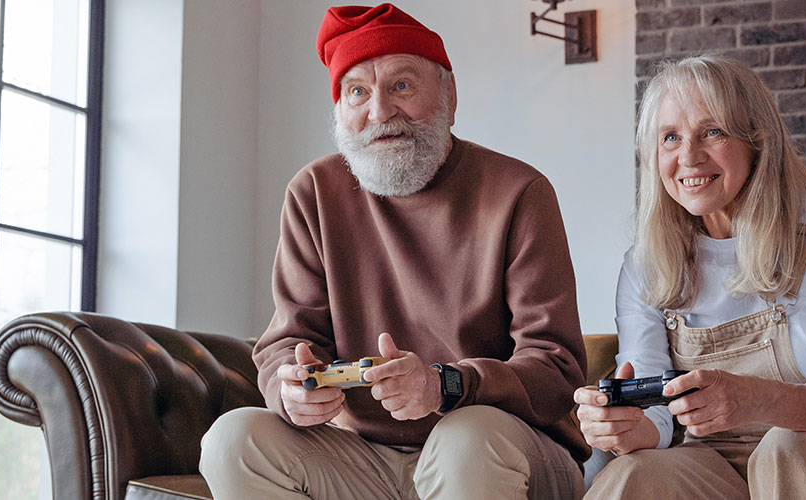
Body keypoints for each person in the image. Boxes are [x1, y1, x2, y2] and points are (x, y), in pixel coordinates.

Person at [198, 4, 588, 500]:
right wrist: (291, 388)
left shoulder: (519, 190)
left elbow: (556, 368)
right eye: (358, 91)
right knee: (233, 440)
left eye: (401, 86)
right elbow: (287, 342)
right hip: (366, 456)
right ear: (340, 109)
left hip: (507, 449)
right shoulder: (313, 192)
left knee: (464, 439)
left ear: (449, 96)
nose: (380, 112)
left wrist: (445, 385)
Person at [575, 55, 806, 499]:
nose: (689, 156)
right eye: (671, 137)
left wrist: (758, 399)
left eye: (712, 131)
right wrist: (624, 427)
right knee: (632, 474)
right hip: (713, 464)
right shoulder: (646, 262)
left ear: (758, 140)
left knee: (786, 448)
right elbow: (659, 420)